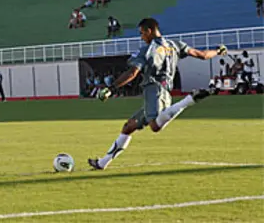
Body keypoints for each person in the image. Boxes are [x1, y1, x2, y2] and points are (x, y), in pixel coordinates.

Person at [87, 18, 227, 170]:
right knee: (129, 126)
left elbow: (133, 72)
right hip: (164, 92)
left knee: (154, 126)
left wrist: (112, 88)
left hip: (154, 89)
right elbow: (202, 55)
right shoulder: (175, 45)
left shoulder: (147, 50)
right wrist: (218, 51)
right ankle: (102, 163)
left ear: (149, 31)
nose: (141, 37)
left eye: (142, 33)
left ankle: (189, 100)